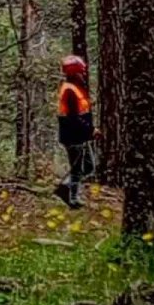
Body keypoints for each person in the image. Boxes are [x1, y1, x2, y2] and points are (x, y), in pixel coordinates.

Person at [54, 54, 97, 209]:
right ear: (74, 73)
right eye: (81, 71)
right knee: (78, 168)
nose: (83, 73)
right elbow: (74, 117)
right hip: (73, 136)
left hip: (80, 135)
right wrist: (91, 130)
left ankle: (65, 189)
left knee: (89, 167)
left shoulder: (75, 88)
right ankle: (72, 199)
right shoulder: (70, 90)